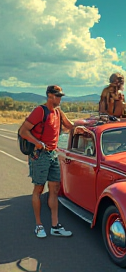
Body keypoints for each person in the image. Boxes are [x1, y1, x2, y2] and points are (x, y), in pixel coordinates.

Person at [19, 85, 75, 238]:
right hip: (40, 154)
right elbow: (23, 131)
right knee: (38, 189)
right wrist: (36, 142)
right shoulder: (40, 111)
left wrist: (91, 124)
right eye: (58, 95)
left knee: (54, 189)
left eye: (61, 96)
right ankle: (38, 225)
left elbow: (70, 126)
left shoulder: (58, 112)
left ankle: (55, 226)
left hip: (53, 154)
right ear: (50, 95)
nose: (60, 98)